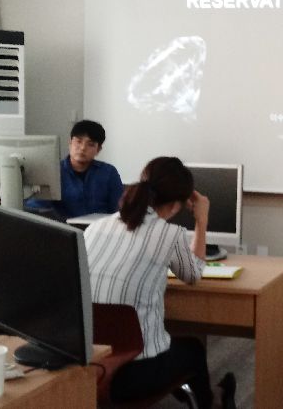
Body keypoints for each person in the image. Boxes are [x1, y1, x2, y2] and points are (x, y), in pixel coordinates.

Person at [84, 156, 214, 407]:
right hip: (132, 375)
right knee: (194, 350)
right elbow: (194, 274)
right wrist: (201, 220)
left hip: (90, 367)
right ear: (176, 205)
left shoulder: (95, 228)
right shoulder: (168, 234)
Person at [28, 119, 124, 219]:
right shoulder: (52, 172)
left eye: (90, 144)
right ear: (70, 143)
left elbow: (119, 210)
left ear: (98, 150)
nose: (82, 148)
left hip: (100, 227)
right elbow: (37, 208)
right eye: (78, 141)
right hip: (64, 227)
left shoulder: (109, 173)